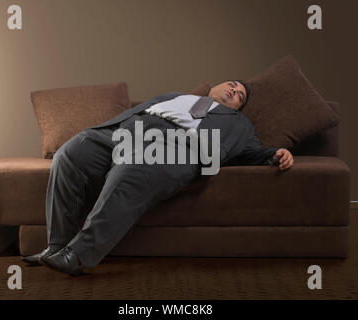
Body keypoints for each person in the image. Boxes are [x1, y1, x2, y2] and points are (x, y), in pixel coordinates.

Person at [22, 80, 294, 275]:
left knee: (131, 168)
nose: (234, 91)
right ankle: (55, 246)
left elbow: (252, 151)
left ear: (238, 108)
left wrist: (276, 154)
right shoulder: (175, 95)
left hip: (175, 146)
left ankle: (77, 255)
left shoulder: (239, 125)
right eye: (232, 85)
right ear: (213, 86)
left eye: (240, 96)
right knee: (70, 153)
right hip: (125, 132)